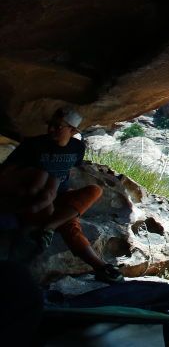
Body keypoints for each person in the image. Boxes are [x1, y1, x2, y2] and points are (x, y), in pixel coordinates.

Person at [0, 108, 123, 282]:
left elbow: (71, 172)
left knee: (95, 190)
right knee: (69, 222)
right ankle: (100, 266)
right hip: (35, 198)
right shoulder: (33, 145)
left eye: (58, 126)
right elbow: (7, 172)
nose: (51, 129)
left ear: (73, 131)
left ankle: (48, 227)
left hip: (59, 195)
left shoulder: (77, 147)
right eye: (50, 125)